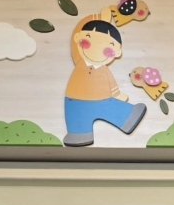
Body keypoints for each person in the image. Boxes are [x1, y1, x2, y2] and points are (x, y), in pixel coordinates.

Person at [63, 11, 147, 146]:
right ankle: (79, 134)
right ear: (78, 39)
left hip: (101, 101)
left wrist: (117, 94)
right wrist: (96, 17)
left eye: (108, 49)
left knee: (111, 106)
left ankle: (128, 117)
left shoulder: (103, 71)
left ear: (117, 52)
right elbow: (78, 28)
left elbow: (111, 84)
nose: (98, 50)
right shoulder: (79, 59)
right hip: (76, 101)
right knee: (78, 119)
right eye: (88, 41)